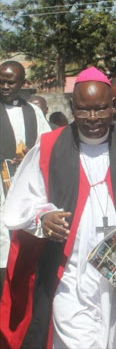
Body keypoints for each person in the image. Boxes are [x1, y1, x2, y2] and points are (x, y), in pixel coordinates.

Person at [0, 67, 116, 348]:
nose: (93, 118)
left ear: (112, 106)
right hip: (71, 270)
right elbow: (22, 202)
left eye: (101, 109)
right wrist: (43, 216)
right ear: (73, 107)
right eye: (84, 110)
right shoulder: (50, 145)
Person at [0, 61, 51, 295]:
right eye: (1, 81)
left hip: (24, 189)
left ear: (22, 83)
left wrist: (29, 157)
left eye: (11, 82)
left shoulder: (34, 112)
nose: (5, 86)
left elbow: (47, 147)